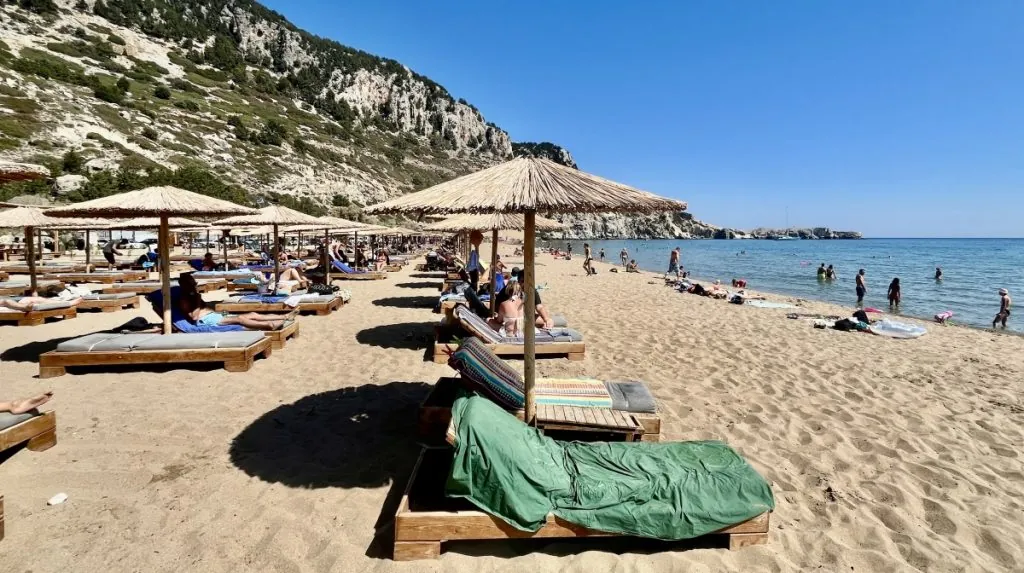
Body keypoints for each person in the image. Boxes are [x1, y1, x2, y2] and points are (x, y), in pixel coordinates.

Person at [0, 296, 82, 312]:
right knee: (6, 301)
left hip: (9, 297)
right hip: (4, 300)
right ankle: (24, 308)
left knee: (39, 299)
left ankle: (68, 303)